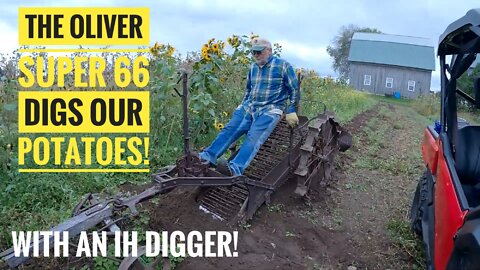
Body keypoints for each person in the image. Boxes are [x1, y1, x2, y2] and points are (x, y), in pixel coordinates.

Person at [199, 37, 300, 176]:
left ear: (269, 51)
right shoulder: (253, 67)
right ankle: (208, 157)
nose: (256, 55)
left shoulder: (283, 65)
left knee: (253, 136)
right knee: (230, 129)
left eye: (259, 52)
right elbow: (248, 89)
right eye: (254, 53)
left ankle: (235, 168)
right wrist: (242, 105)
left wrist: (291, 110)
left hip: (271, 109)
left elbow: (294, 89)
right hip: (250, 107)